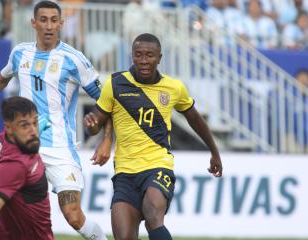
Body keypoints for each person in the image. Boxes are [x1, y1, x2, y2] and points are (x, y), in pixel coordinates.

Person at [0, 1, 111, 239]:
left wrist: (107, 140)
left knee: (73, 216)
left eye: (54, 20)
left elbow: (107, 102)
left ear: (61, 23)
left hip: (61, 147)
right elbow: (1, 79)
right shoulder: (20, 52)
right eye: (43, 20)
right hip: (22, 146)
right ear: (34, 23)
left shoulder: (74, 60)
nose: (49, 25)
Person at [84, 33, 223, 240]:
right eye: (138, 55)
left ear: (160, 58)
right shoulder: (115, 83)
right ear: (131, 56)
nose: (143, 61)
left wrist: (214, 152)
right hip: (124, 172)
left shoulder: (174, 87)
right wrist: (93, 126)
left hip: (157, 166)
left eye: (149, 55)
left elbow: (195, 119)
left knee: (153, 215)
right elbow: (97, 120)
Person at [0, 96, 54, 240]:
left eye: (35, 123)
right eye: (24, 125)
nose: (33, 131)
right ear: (9, 128)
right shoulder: (16, 165)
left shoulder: (4, 139)